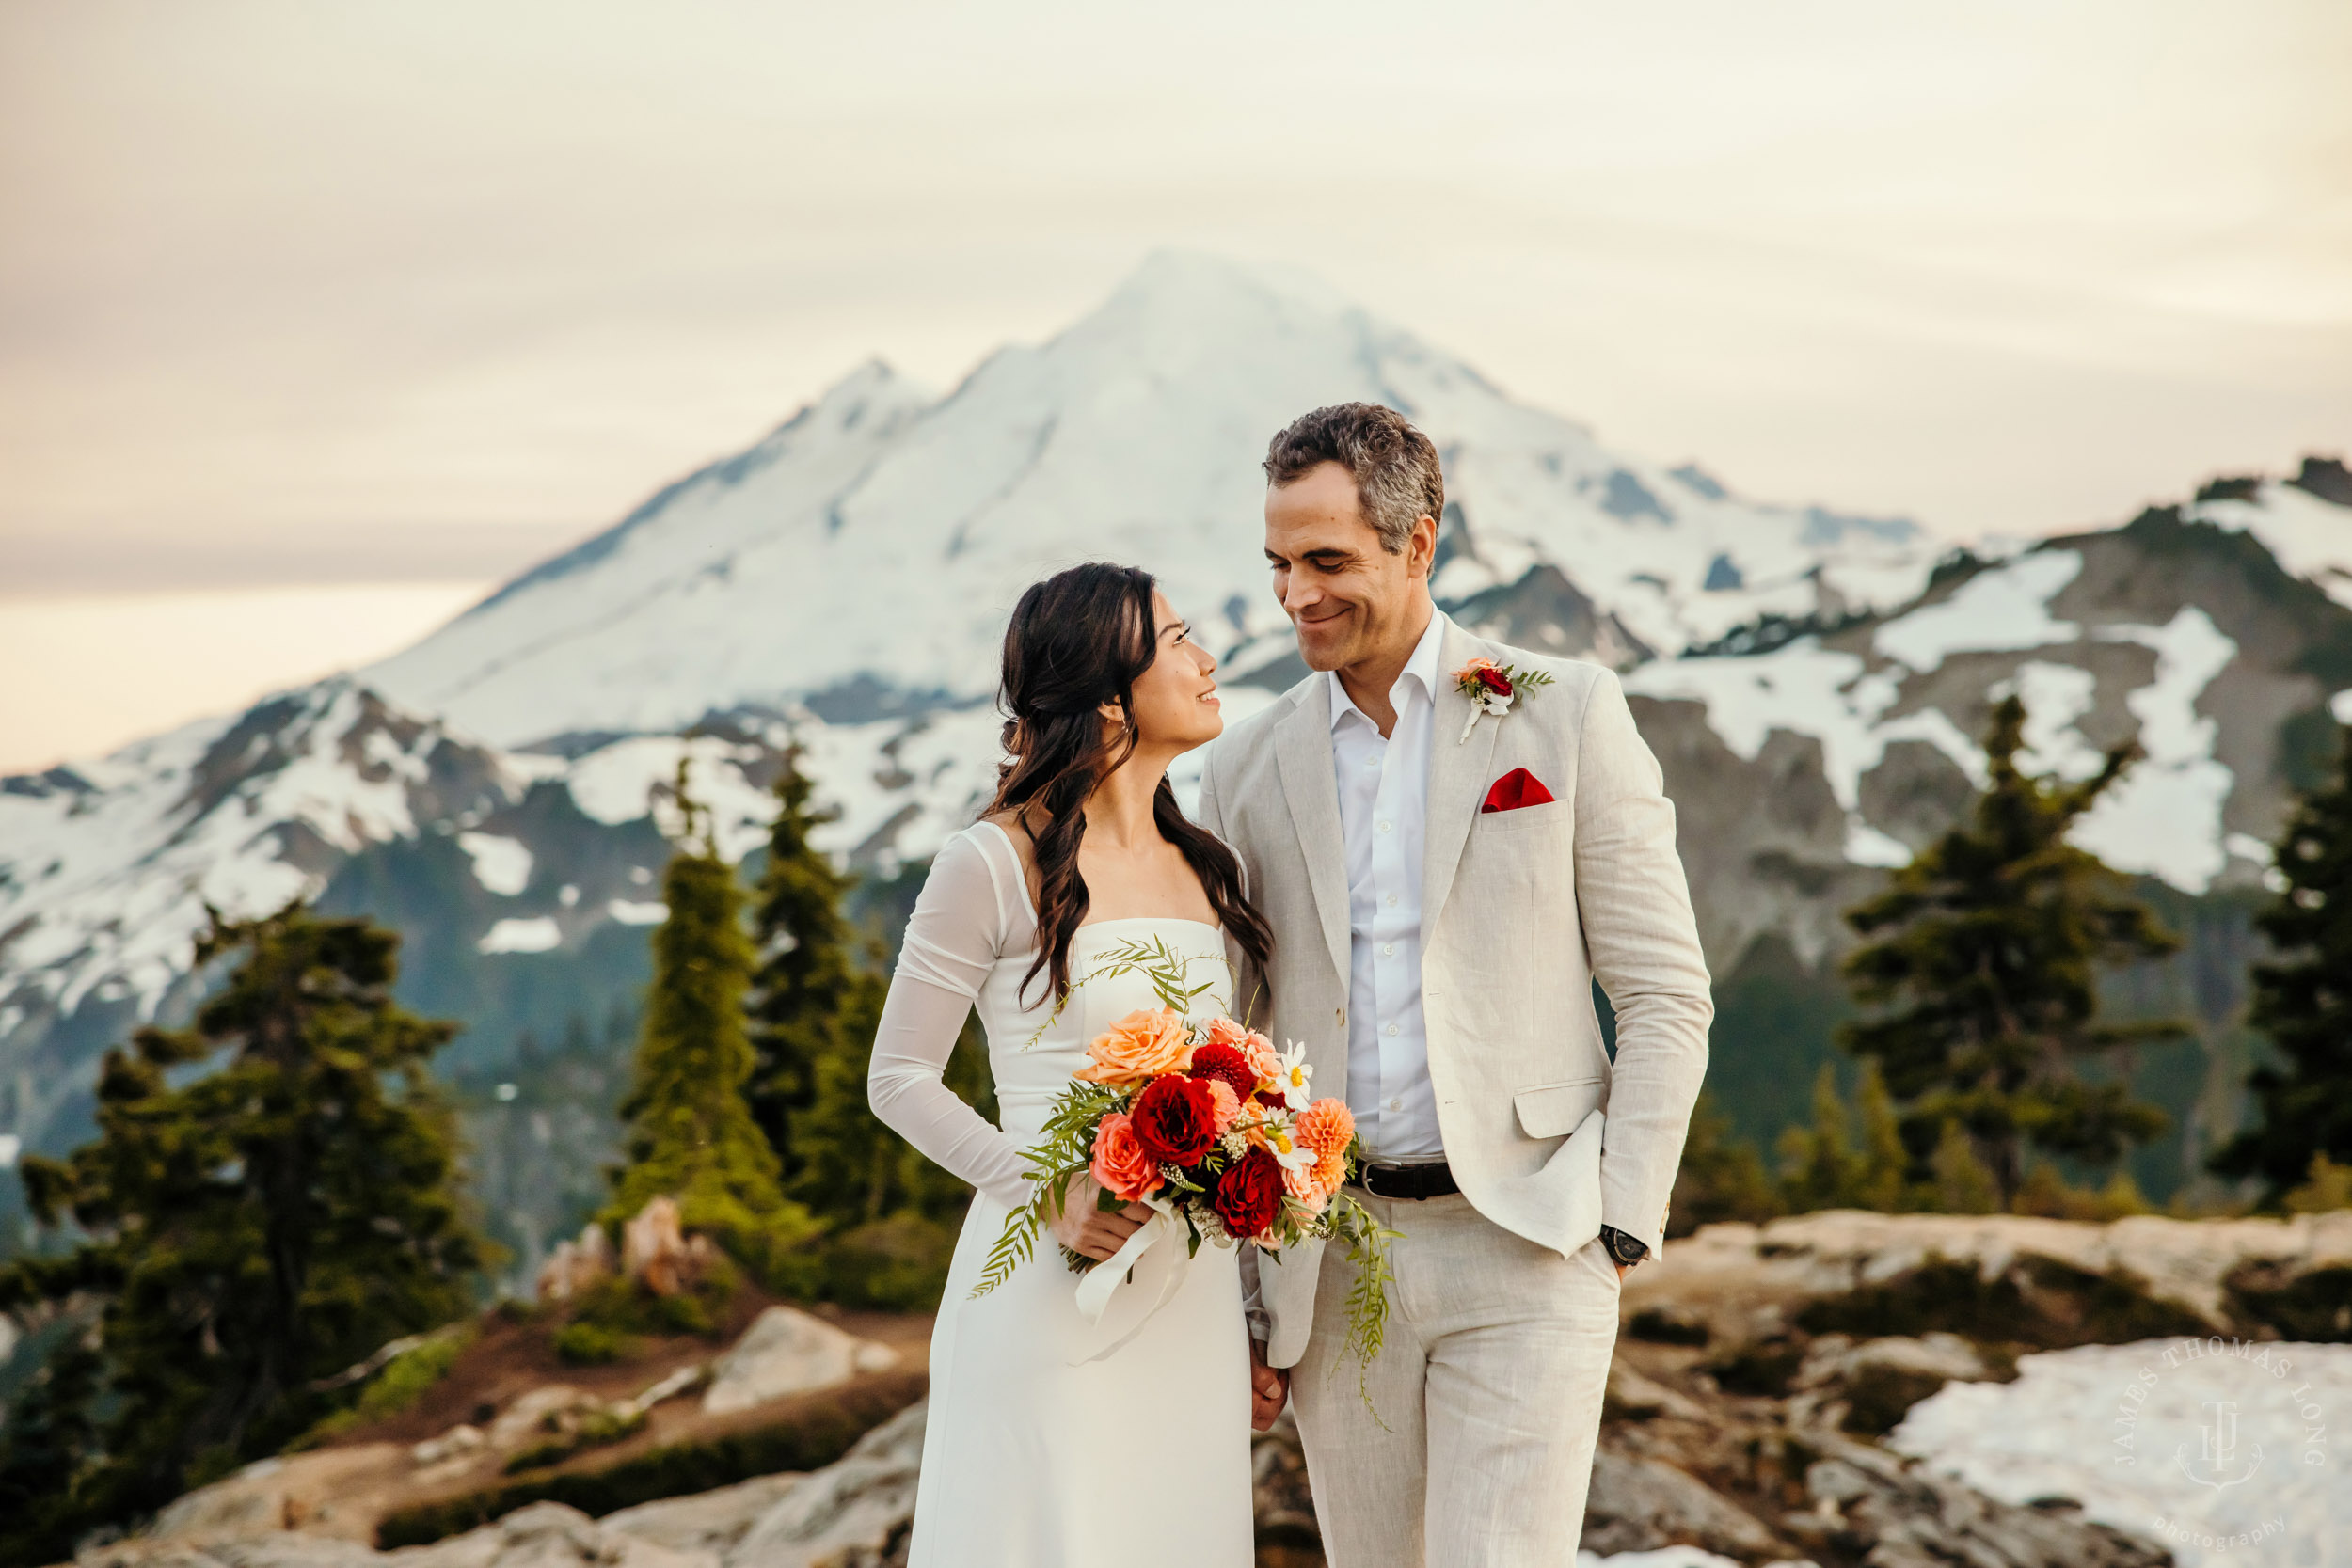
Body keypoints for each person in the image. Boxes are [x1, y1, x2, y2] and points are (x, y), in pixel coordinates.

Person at [1199, 403, 1713, 1566]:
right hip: (1331, 1261)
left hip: (1529, 1240)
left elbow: (1665, 990)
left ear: (1419, 542)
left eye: (1328, 561)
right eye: (1279, 563)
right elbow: (1228, 1043)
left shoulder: (1565, 712)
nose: (1296, 595)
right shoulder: (1240, 764)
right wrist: (1245, 1288)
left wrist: (1620, 1219)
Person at [867, 562, 1279, 1567]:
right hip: (1051, 1286)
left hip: (1192, 1310)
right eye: (1177, 639)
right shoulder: (992, 860)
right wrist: (1045, 1189)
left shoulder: (1209, 863)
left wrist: (1255, 1311)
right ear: (1107, 699)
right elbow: (899, 1076)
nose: (1206, 658)